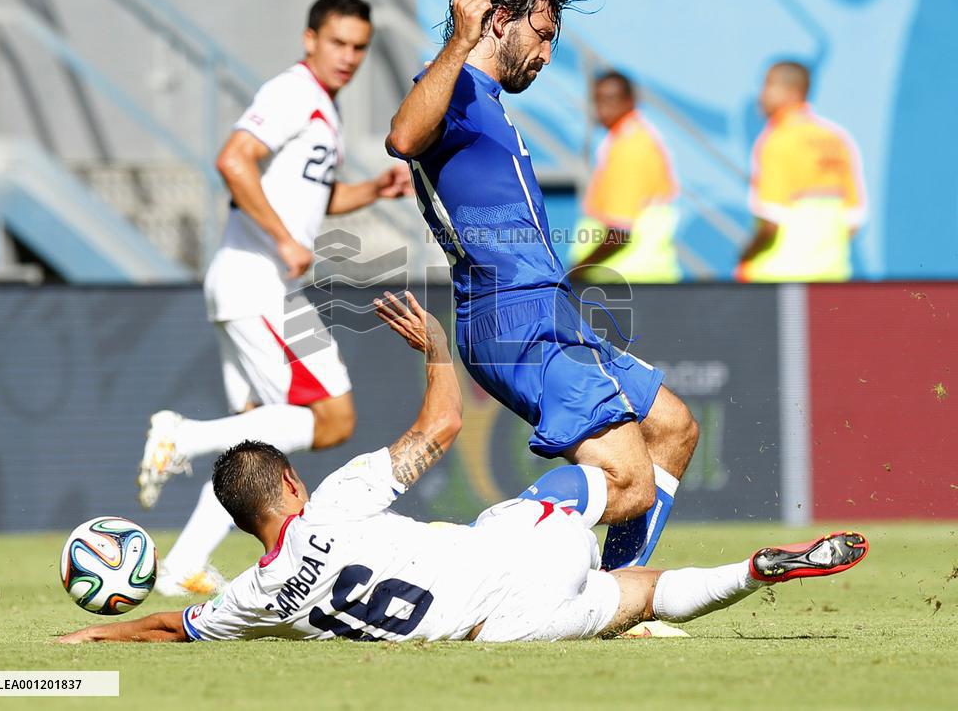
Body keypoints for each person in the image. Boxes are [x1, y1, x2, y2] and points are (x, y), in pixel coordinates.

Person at [58, 292, 869, 645]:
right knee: (618, 476)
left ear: (242, 524)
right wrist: (438, 348)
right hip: (513, 553)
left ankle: (753, 572)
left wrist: (93, 633)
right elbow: (443, 425)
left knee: (646, 597)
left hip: (500, 631)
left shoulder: (253, 598)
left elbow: (173, 625)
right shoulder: (333, 504)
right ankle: (624, 480)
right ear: (293, 484)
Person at [384, 0, 701, 634]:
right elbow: (404, 135)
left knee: (672, 426)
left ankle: (615, 599)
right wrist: (459, 41)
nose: (549, 53)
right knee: (628, 482)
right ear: (501, 22)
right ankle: (469, 569)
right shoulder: (455, 85)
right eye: (545, 34)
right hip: (510, 319)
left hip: (549, 312)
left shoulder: (487, 103)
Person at [136, 0, 412, 597]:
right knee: (334, 418)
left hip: (257, 282)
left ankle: (182, 565)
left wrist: (370, 190)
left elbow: (316, 196)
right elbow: (234, 160)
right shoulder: (291, 92)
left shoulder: (323, 108)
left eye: (359, 47)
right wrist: (285, 240)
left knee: (254, 439)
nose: (348, 56)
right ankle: (182, 437)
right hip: (259, 281)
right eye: (337, 42)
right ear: (310, 39)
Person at [738, 61, 866, 282]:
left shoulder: (779, 140)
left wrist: (746, 255)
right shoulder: (836, 138)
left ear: (793, 92)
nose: (761, 95)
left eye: (769, 85)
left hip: (780, 275)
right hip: (831, 273)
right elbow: (854, 220)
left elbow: (770, 221)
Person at [570, 71, 681, 284]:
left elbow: (620, 231)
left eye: (611, 99)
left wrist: (578, 269)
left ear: (630, 101)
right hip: (631, 276)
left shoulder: (629, 147)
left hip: (629, 279)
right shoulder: (632, 138)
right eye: (597, 99)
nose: (602, 107)